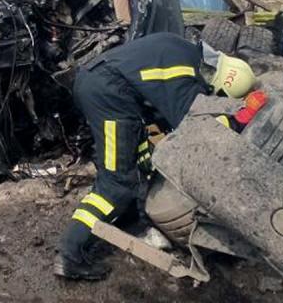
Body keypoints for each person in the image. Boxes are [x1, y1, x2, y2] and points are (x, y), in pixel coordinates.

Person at [54, 31, 256, 280]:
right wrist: (237, 121)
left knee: (136, 166)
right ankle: (69, 254)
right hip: (110, 95)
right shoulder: (183, 73)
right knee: (117, 183)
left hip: (107, 89)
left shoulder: (182, 49)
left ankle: (128, 223)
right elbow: (191, 125)